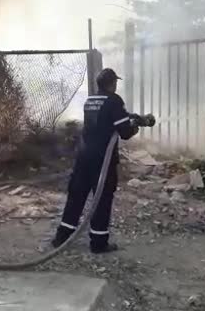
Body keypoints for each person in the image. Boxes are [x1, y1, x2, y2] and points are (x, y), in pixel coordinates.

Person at [51, 68, 154, 254]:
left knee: (76, 196)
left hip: (83, 156)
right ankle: (98, 243)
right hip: (102, 159)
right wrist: (137, 125)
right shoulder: (114, 100)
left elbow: (105, 119)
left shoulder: (90, 100)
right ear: (111, 83)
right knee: (102, 198)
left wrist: (131, 117)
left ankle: (62, 237)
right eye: (115, 82)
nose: (116, 85)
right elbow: (124, 131)